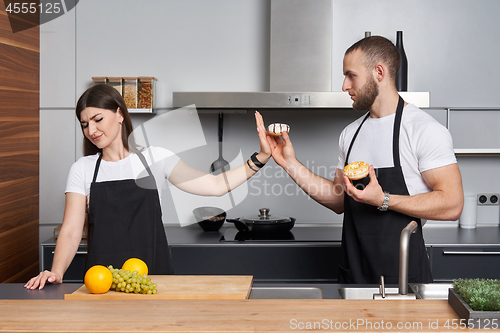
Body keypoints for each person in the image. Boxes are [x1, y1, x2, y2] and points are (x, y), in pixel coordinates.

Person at [26, 84, 271, 289]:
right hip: (101, 284)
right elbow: (70, 231)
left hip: (154, 278)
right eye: (84, 124)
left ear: (120, 114)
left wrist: (260, 158)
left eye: (98, 119)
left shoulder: (156, 158)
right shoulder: (82, 168)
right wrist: (56, 272)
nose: (91, 130)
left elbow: (216, 185)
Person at [262, 36, 464, 284]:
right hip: (354, 275)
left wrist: (383, 199)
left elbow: (453, 204)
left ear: (379, 72)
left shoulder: (423, 130)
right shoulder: (351, 134)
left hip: (404, 278)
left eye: (351, 75)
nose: (345, 86)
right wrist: (290, 164)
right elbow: (339, 199)